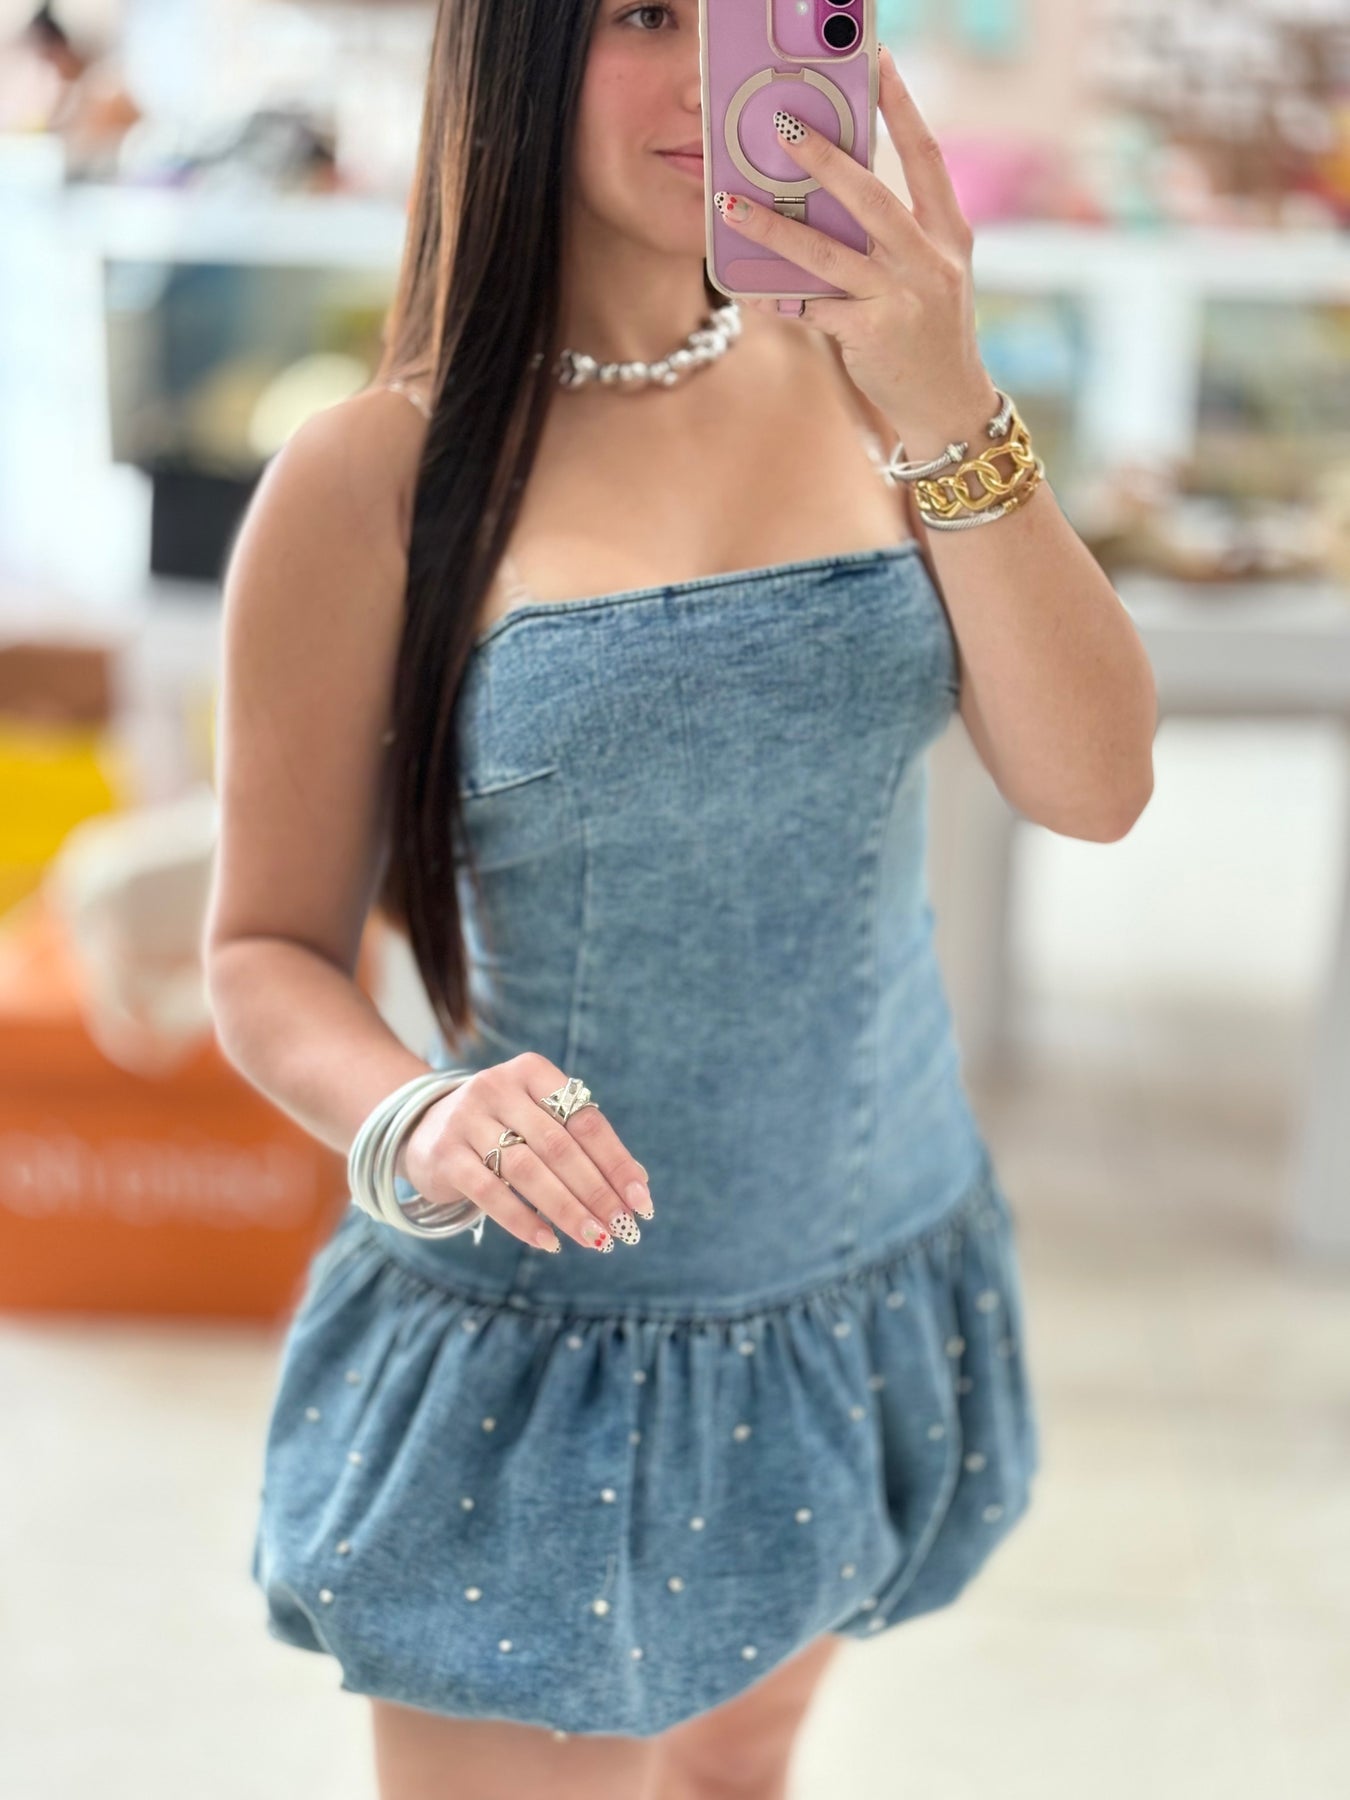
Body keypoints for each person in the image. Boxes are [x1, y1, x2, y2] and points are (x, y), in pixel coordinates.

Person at [205, 3, 1156, 1796]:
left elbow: (1093, 783)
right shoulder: (372, 475)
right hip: (558, 1335)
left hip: (864, 1262)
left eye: (762, 10)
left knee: (734, 1776)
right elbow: (263, 951)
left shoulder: (876, 378)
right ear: (515, 48)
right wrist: (416, 1113)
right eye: (647, 13)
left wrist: (947, 392)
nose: (719, 74)